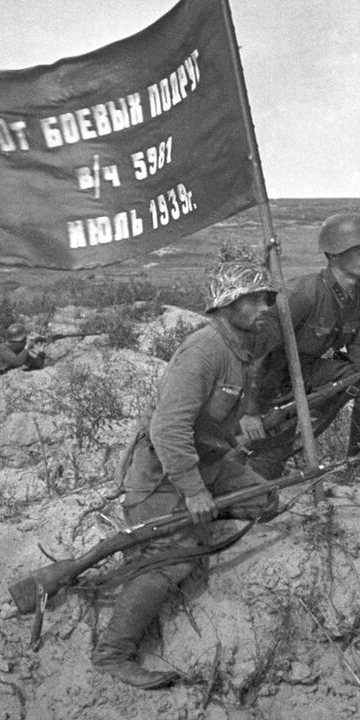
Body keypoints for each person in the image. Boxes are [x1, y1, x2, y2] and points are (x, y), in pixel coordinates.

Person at [92, 254, 279, 690]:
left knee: (265, 501)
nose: (264, 307)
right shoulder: (204, 351)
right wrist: (194, 491)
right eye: (253, 299)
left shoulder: (241, 348)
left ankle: (197, 516)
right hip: (161, 475)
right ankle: (113, 653)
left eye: (266, 298)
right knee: (170, 564)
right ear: (226, 303)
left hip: (208, 464)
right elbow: (167, 428)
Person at [248, 212, 360, 479]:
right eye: (359, 250)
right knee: (264, 471)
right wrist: (251, 411)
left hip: (308, 370)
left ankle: (358, 465)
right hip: (271, 378)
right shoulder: (303, 293)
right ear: (334, 255)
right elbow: (259, 351)